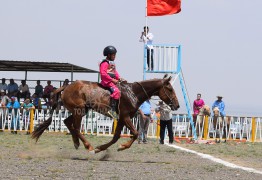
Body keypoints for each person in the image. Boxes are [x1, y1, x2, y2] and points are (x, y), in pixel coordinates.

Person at [100, 46, 121, 119]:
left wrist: (120, 78)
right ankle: (111, 109)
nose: (115, 56)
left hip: (112, 81)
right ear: (109, 55)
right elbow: (103, 74)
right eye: (113, 55)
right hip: (107, 82)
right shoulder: (104, 63)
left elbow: (115, 73)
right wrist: (112, 80)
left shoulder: (111, 63)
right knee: (117, 92)